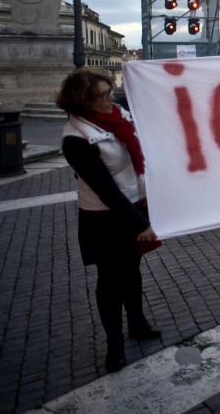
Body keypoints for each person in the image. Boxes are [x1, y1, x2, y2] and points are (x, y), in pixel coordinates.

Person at [55, 68, 160, 373]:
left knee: (131, 268)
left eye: (110, 90)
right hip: (104, 217)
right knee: (110, 280)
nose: (110, 97)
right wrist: (139, 223)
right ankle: (114, 343)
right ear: (84, 101)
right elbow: (106, 190)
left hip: (133, 204)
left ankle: (137, 322)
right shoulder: (76, 138)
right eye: (103, 94)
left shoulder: (119, 115)